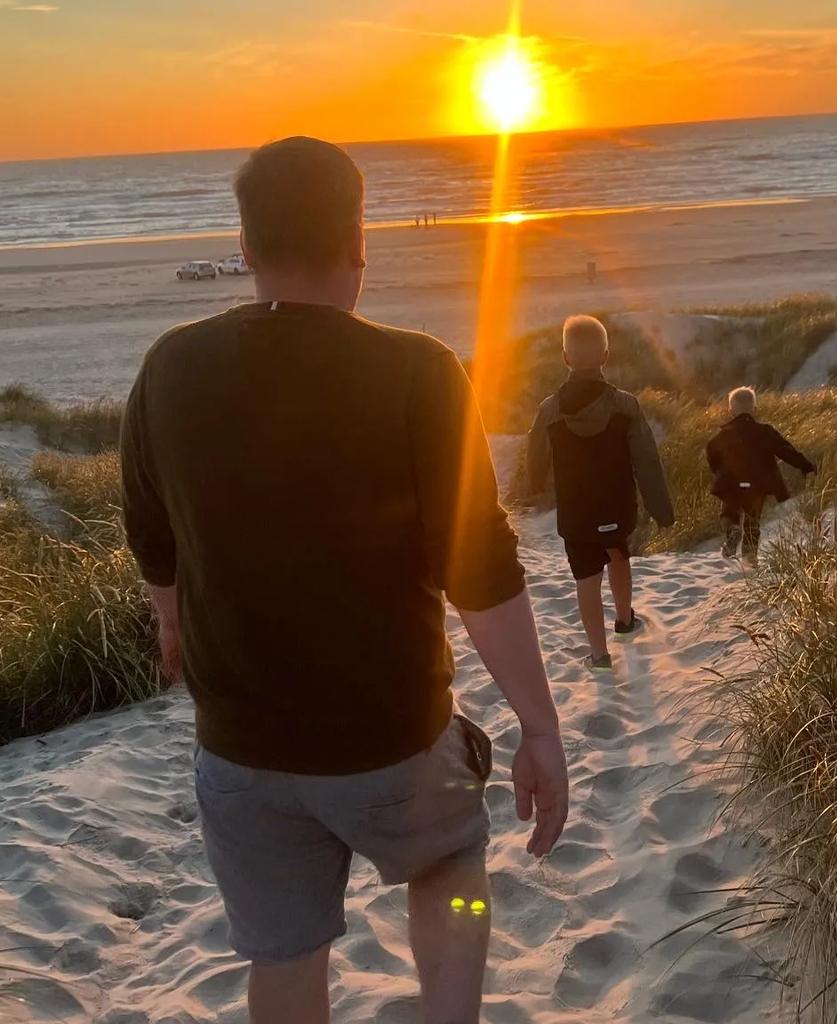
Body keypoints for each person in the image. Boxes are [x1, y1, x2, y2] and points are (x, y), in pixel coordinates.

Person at [120, 136, 568, 1024]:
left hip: (241, 748)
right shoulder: (418, 370)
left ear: (245, 247)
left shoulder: (170, 366)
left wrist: (172, 627)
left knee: (285, 956)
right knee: (448, 867)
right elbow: (478, 566)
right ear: (360, 239)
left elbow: (153, 536)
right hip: (391, 741)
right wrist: (538, 725)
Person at [526, 315, 675, 671]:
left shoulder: (549, 409)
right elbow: (647, 461)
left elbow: (534, 456)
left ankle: (599, 654)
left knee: (586, 578)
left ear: (565, 358)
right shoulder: (625, 405)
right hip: (617, 505)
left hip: (577, 513)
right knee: (618, 553)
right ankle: (625, 620)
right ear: (605, 356)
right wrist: (661, 508)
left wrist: (536, 487)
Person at [705, 386, 815, 566]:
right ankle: (750, 559)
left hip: (731, 482)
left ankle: (732, 530)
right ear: (754, 409)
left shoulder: (723, 435)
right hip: (757, 484)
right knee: (752, 520)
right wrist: (806, 466)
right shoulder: (765, 431)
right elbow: (786, 451)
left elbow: (711, 452)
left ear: (731, 409)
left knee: (728, 513)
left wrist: (718, 472)